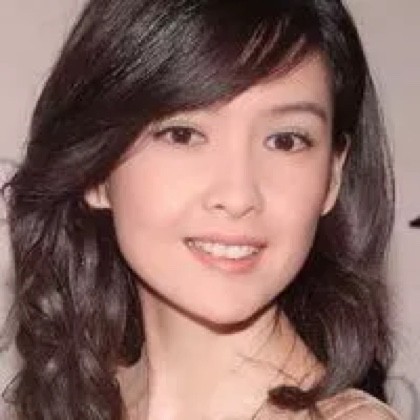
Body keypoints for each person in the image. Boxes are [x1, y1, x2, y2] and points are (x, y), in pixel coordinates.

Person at [2, 0, 400, 418]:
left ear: (332, 176)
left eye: (285, 141)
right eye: (183, 135)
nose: (238, 195)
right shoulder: (78, 401)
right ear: (97, 170)